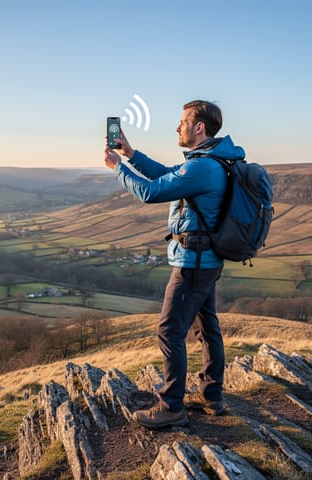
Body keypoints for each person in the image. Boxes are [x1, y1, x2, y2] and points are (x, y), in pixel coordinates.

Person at [103, 100, 245, 429]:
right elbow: (168, 176)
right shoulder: (211, 161)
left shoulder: (202, 167)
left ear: (200, 128)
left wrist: (118, 170)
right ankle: (211, 395)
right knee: (206, 326)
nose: (177, 127)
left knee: (169, 331)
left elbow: (152, 192)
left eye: (183, 122)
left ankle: (171, 406)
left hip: (193, 264)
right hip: (206, 261)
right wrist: (131, 154)